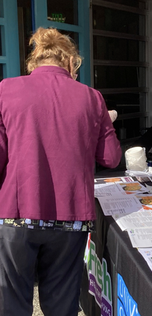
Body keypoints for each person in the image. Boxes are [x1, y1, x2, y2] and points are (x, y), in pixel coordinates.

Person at [0, 27, 122, 316]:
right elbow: (111, 157)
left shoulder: (5, 90)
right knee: (61, 306)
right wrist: (105, 121)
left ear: (34, 62)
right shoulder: (92, 98)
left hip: (18, 217)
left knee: (12, 305)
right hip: (70, 221)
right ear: (71, 62)